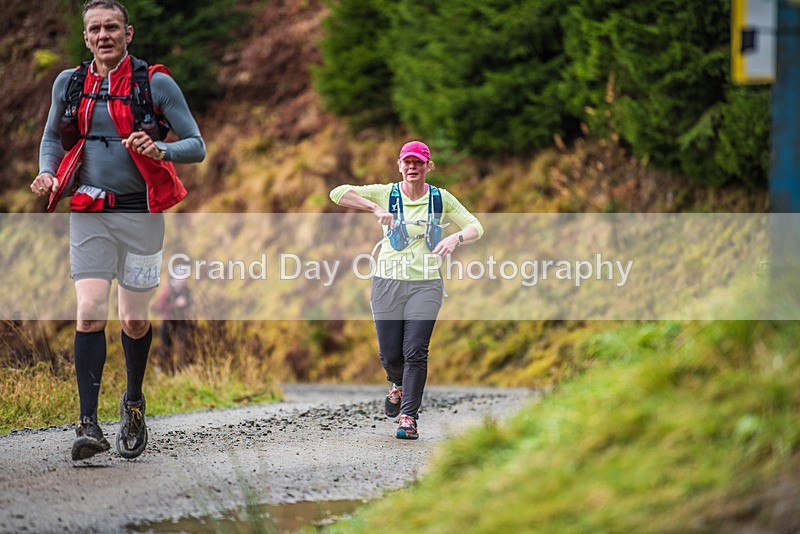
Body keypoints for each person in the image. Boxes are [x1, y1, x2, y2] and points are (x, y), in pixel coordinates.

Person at [30, 0, 205, 460]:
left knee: (132, 319)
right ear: (86, 37)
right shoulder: (68, 83)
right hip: (89, 210)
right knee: (89, 311)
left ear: (129, 34)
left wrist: (162, 151)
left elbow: (197, 145)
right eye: (95, 29)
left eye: (112, 27)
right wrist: (49, 172)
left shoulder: (156, 83)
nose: (104, 35)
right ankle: (88, 424)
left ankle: (132, 403)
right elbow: (52, 136)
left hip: (141, 214)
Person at [329, 141, 483, 439]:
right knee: (390, 355)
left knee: (415, 351)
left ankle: (408, 418)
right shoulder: (387, 193)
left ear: (428, 166)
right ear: (399, 165)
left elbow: (475, 226)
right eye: (407, 162)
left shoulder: (440, 199)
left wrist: (455, 239)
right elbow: (338, 193)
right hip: (387, 282)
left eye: (419, 163)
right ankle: (396, 383)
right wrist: (375, 208)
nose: (413, 167)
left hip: (426, 284)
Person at [153, 270, 194, 371]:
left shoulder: (186, 290)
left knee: (184, 346)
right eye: (181, 277)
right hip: (168, 322)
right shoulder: (168, 291)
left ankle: (182, 369)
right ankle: (161, 368)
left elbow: (189, 304)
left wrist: (190, 302)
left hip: (182, 322)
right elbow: (158, 307)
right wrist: (175, 304)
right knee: (166, 346)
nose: (183, 280)